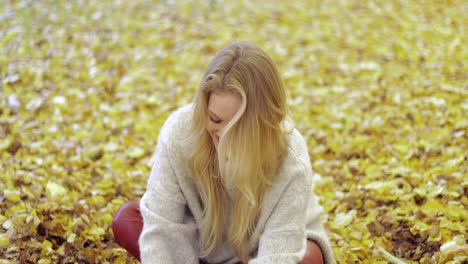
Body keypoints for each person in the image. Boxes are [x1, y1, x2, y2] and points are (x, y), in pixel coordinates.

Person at [112, 41, 334, 264]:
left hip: (264, 252)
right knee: (128, 219)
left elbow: (280, 253)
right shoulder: (179, 132)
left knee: (309, 258)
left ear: (262, 124)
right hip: (199, 246)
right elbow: (161, 226)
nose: (224, 138)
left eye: (237, 127)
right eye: (215, 120)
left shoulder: (289, 153)